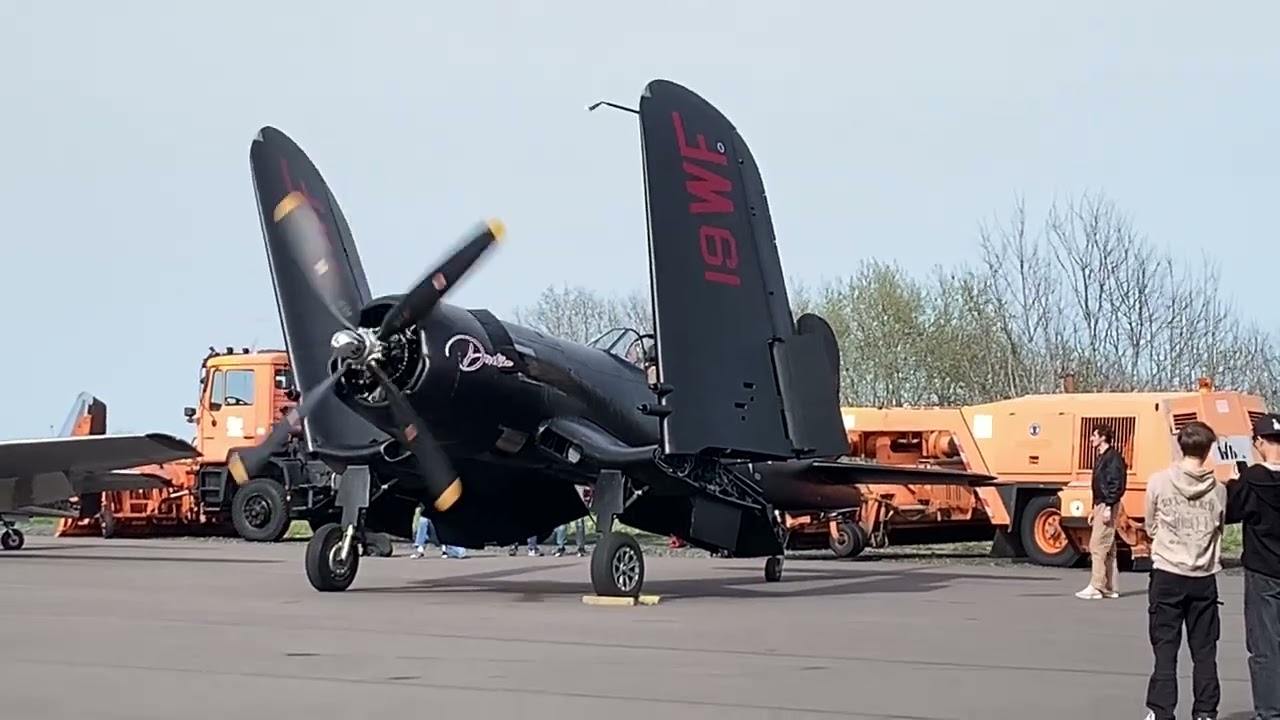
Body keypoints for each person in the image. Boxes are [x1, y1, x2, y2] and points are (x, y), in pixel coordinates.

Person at [1142, 420, 1226, 720]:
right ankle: (1205, 711)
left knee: (1165, 647)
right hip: (1203, 575)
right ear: (1208, 450)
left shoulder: (1158, 481)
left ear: (1180, 445)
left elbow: (1150, 523)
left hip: (1167, 571)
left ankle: (1161, 711)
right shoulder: (1218, 489)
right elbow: (1220, 527)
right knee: (1205, 651)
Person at [1226, 412, 1280, 720]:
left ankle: (1270, 712)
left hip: (1263, 570)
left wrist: (1236, 480)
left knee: (1265, 648)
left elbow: (1231, 512)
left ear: (1259, 443)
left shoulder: (1251, 480)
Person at [1076, 423, 1128, 600]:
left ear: (1103, 437)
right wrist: (1094, 507)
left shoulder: (1113, 459)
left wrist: (1107, 506)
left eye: (1094, 435)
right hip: (1102, 504)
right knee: (1109, 546)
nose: (1091, 439)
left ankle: (1096, 586)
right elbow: (1099, 485)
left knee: (1097, 545)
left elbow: (1116, 484)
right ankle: (1109, 587)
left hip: (1108, 505)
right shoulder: (1103, 457)